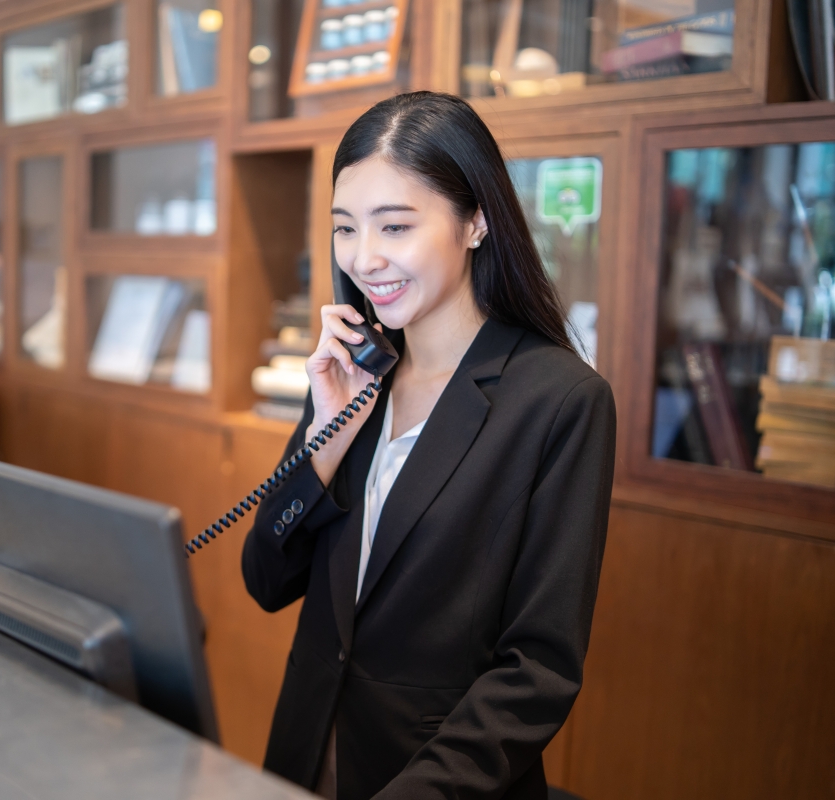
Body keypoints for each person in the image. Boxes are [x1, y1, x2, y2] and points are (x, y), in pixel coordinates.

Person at [241, 91, 617, 800]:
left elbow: (536, 670)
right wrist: (326, 438)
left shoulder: (559, 402)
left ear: (476, 220)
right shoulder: (355, 373)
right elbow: (266, 578)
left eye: (395, 226)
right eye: (345, 228)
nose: (364, 258)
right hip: (305, 758)